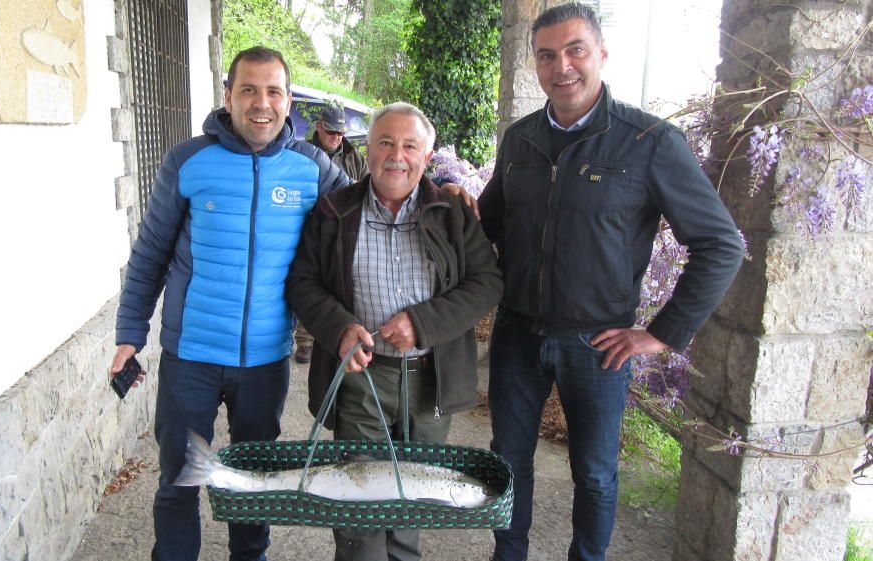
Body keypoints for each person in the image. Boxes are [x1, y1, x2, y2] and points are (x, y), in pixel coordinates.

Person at [477, 4, 744, 561]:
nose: (562, 66)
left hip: (598, 344)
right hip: (517, 335)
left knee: (595, 475)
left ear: (601, 54)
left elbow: (721, 245)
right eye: (547, 55)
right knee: (508, 463)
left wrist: (662, 332)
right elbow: (493, 226)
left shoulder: (648, 141)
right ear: (537, 63)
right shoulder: (520, 140)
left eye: (576, 50)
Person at [109, 46, 353, 561]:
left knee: (252, 482)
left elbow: (372, 205)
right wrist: (130, 334)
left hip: (265, 361)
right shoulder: (188, 160)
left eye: (272, 91)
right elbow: (150, 252)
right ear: (228, 96)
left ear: (289, 102)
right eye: (248, 89)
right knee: (178, 481)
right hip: (191, 356)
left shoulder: (314, 168)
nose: (260, 103)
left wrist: (440, 194)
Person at [287, 102, 503, 561]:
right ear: (367, 149)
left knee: (411, 501)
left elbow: (488, 283)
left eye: (410, 145)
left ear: (427, 156)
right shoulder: (334, 211)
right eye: (385, 142)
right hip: (363, 379)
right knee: (360, 506)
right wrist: (340, 327)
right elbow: (302, 283)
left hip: (431, 380)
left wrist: (423, 323)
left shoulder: (451, 212)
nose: (396, 155)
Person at [293, 104, 372, 364]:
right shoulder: (303, 154)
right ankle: (304, 341)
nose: (336, 137)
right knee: (309, 282)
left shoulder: (353, 157)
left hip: (343, 228)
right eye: (331, 132)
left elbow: (366, 186)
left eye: (340, 133)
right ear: (319, 127)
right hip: (311, 225)